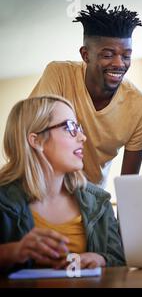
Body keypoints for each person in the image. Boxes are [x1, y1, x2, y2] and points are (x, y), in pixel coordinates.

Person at [0, 96, 125, 273]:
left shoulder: (99, 201)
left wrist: (101, 259)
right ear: (36, 141)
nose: (83, 137)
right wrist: (12, 252)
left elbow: (119, 260)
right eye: (70, 127)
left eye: (78, 127)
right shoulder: (3, 201)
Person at [30, 4, 142, 187]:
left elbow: (129, 183)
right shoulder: (59, 75)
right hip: (45, 186)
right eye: (108, 55)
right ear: (86, 55)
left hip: (91, 198)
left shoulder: (139, 105)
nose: (119, 63)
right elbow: (34, 136)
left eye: (126, 55)